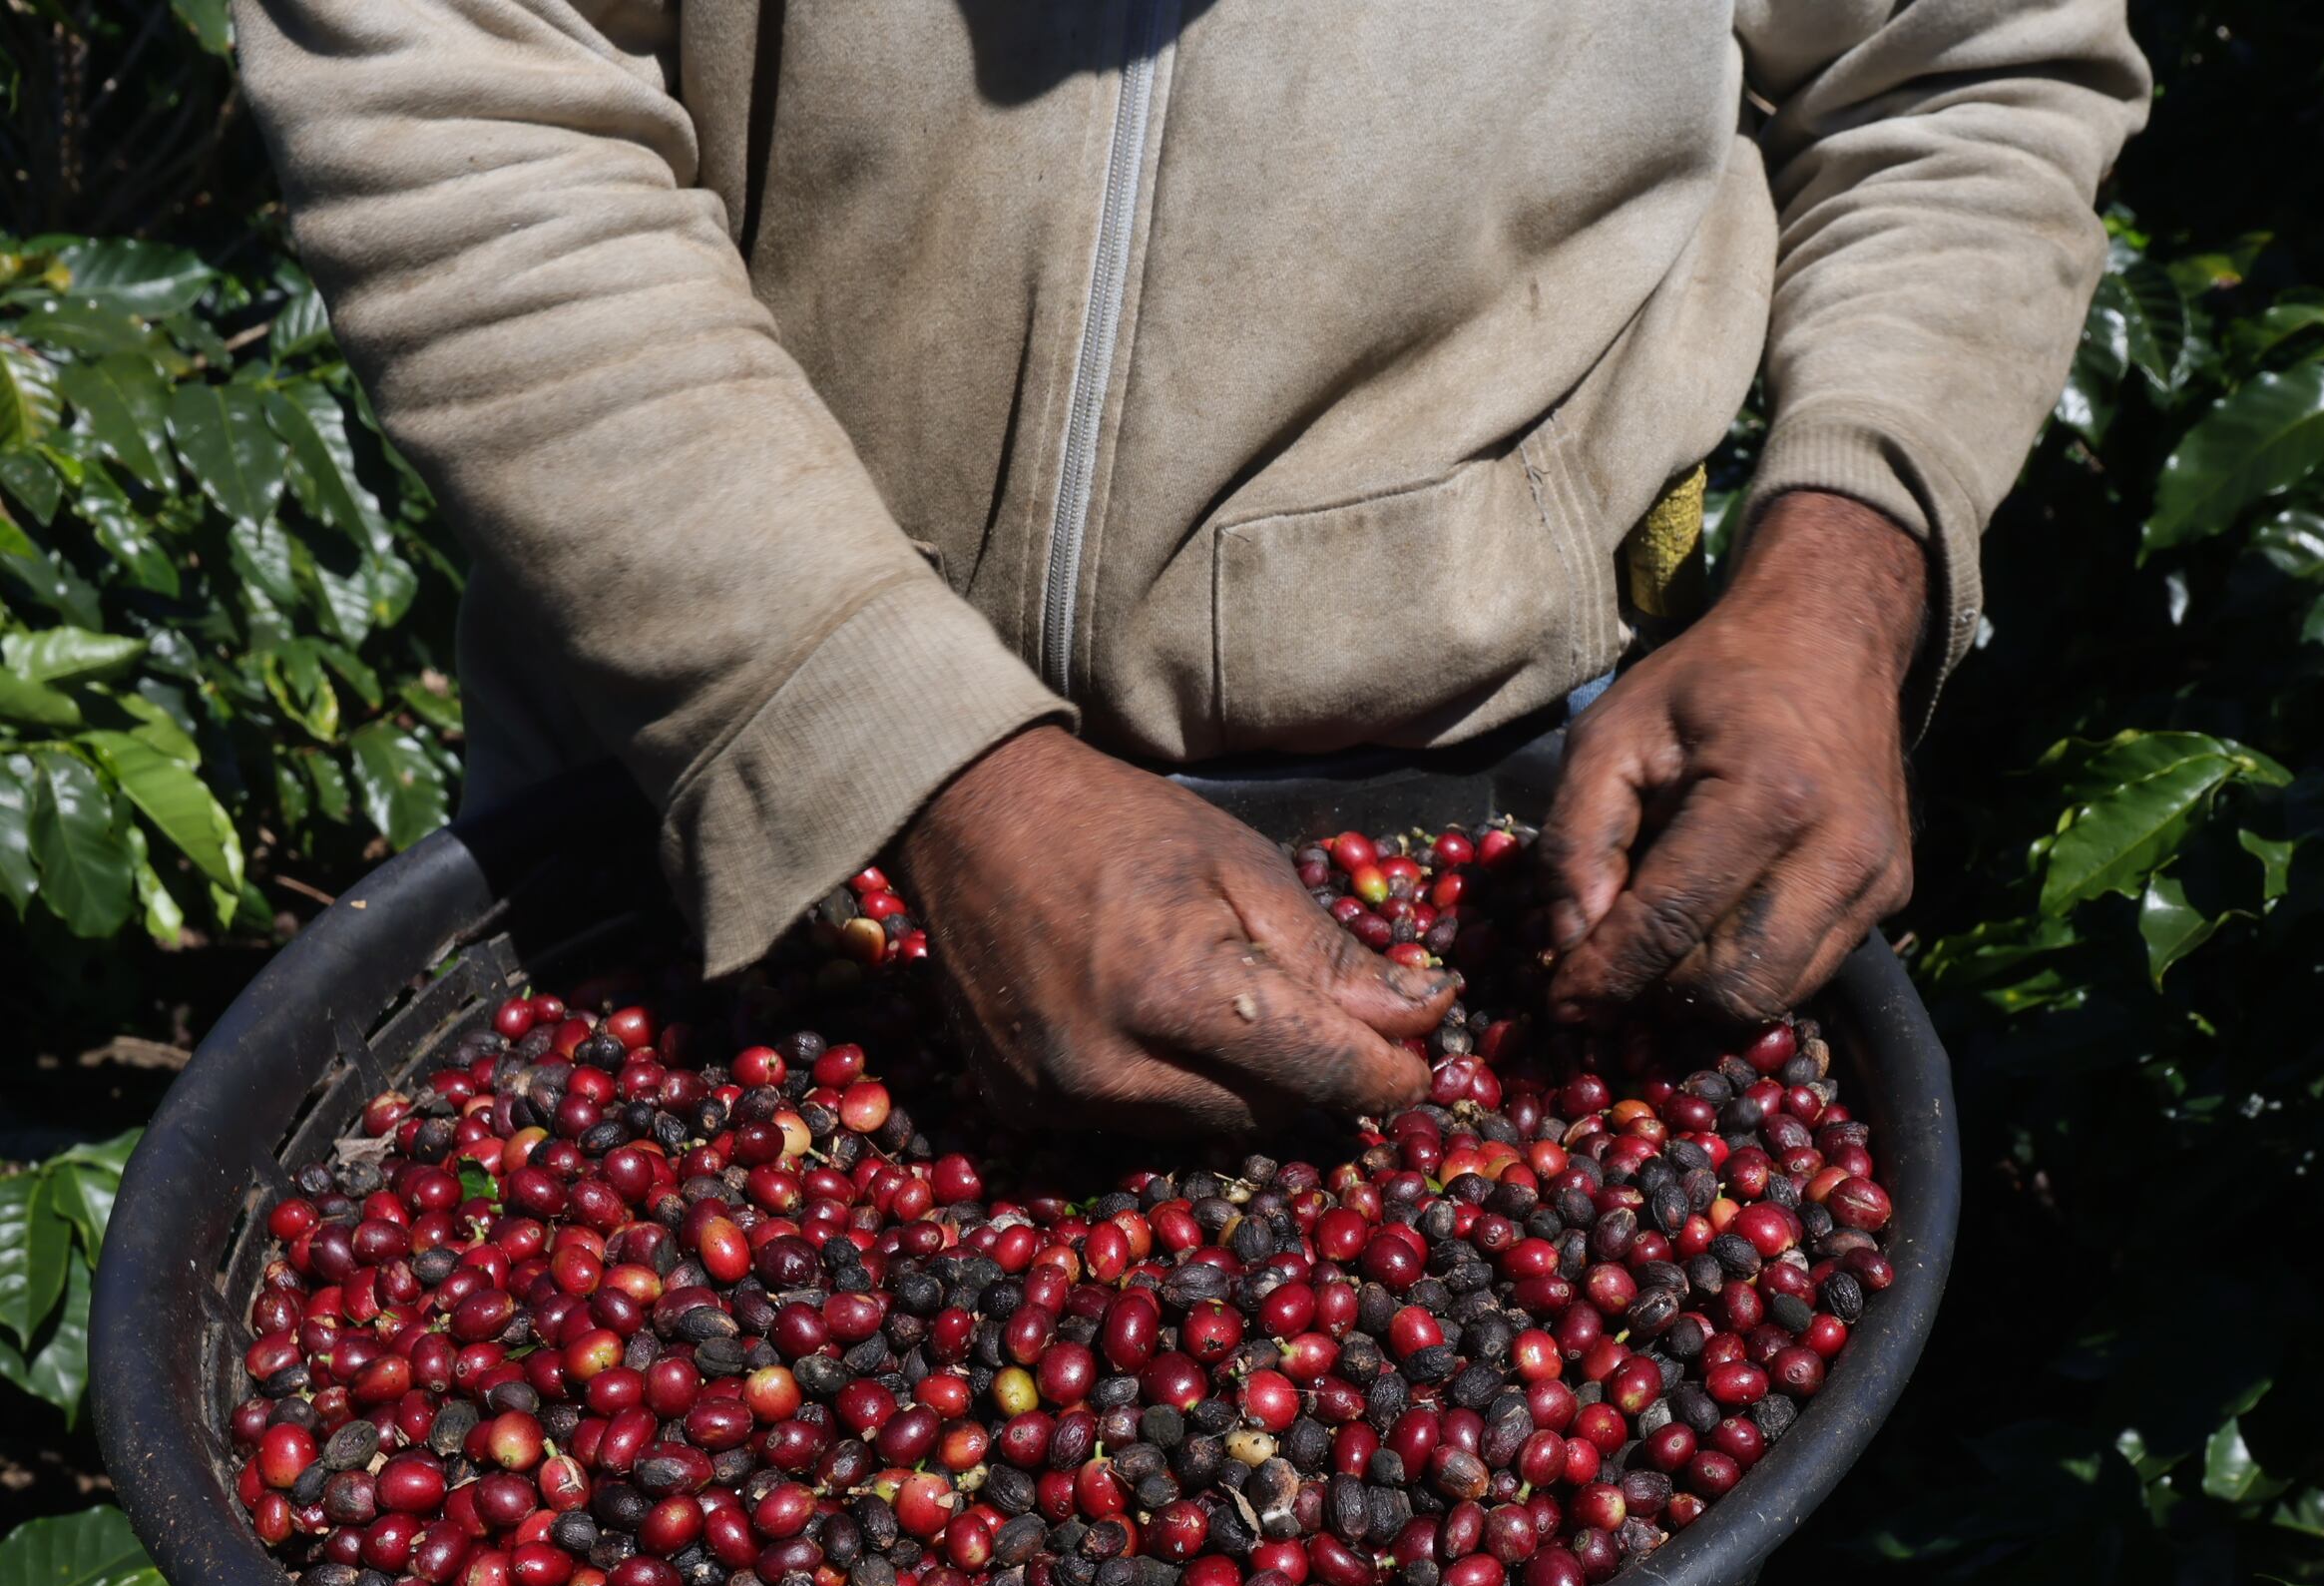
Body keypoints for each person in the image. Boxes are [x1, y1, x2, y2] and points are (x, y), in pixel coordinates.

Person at [234, 2, 2145, 1133]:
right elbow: (455, 99)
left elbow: (1960, 71)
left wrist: (1845, 567)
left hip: (1455, 852)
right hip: (735, 796)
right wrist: (893, 738)